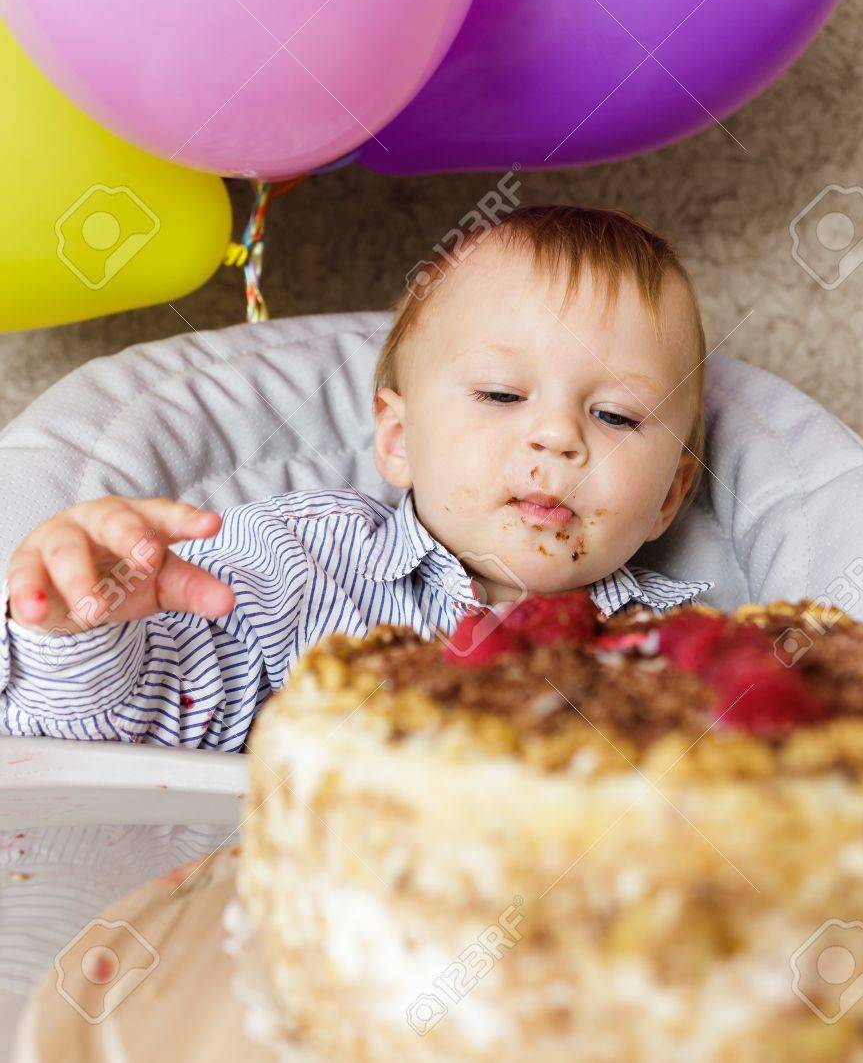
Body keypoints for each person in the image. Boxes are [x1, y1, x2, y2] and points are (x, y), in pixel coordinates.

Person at [0, 205, 713, 747]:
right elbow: (118, 742)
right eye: (501, 395)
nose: (557, 436)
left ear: (669, 498)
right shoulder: (295, 565)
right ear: (398, 439)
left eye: (617, 415)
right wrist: (84, 627)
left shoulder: (687, 651)